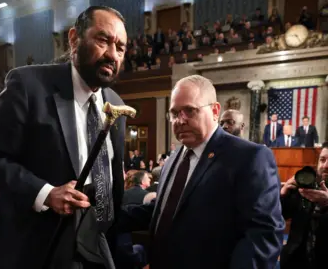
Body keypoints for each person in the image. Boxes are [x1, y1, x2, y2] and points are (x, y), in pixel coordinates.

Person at [0, 6, 128, 269]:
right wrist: (46, 193)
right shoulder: (27, 85)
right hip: (37, 245)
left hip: (95, 244)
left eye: (121, 47)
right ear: (74, 38)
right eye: (103, 40)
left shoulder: (116, 103)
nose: (112, 54)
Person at [120, 75, 285, 269]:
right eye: (174, 113)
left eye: (190, 110)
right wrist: (95, 215)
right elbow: (164, 211)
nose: (180, 120)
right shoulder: (173, 159)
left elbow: (263, 235)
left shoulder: (249, 157)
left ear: (215, 111)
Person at [279, 141, 328, 269]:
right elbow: (278, 217)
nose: (326, 165)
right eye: (322, 160)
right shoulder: (306, 185)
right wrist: (283, 195)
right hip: (295, 261)